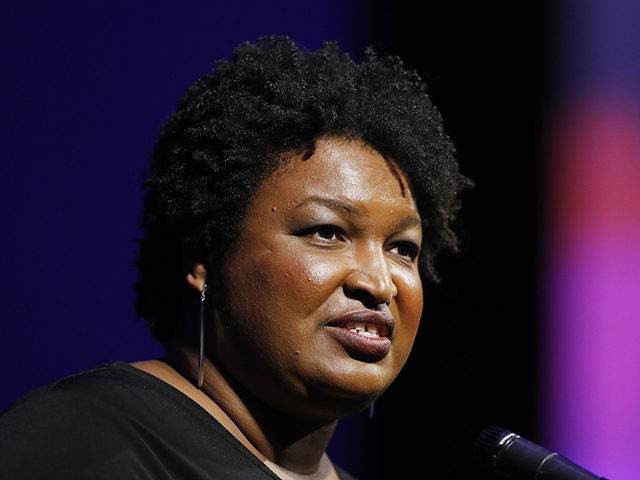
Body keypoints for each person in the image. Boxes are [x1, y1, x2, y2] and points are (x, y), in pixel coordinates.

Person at [0, 35, 472, 479]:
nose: (380, 282)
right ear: (203, 256)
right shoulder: (81, 440)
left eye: (401, 249)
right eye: (327, 232)